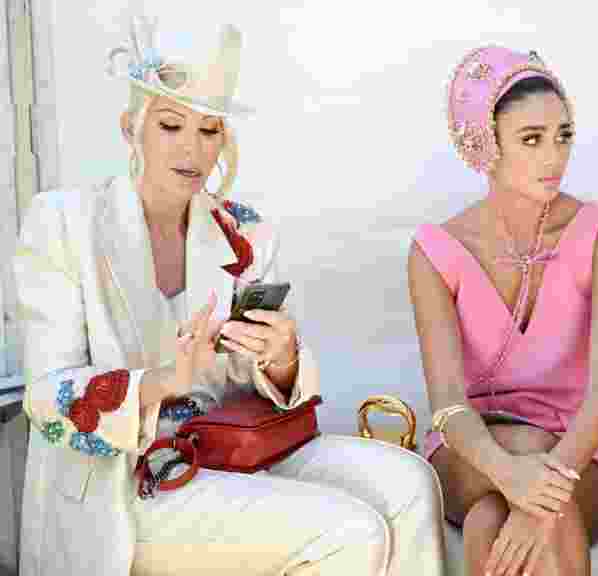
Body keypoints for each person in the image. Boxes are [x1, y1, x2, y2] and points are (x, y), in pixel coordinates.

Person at [14, 16, 444, 576]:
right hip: (120, 488)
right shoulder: (62, 223)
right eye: (171, 126)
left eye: (210, 129)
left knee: (410, 482)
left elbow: (252, 381)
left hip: (222, 450)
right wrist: (162, 382)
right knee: (349, 531)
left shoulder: (243, 232)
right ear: (131, 128)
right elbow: (44, 399)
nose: (193, 149)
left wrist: (281, 356)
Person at [408, 46, 598, 576]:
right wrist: (512, 475)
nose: (553, 157)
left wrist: (538, 492)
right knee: (513, 481)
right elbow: (447, 405)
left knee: (496, 518)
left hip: (585, 452)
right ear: (485, 145)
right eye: (531, 140)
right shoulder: (434, 251)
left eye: (563, 136)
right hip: (472, 453)